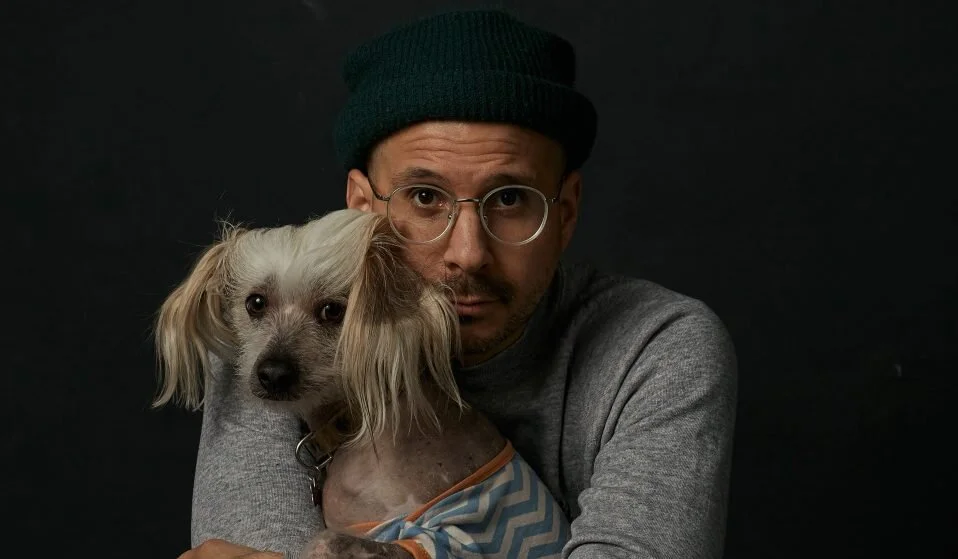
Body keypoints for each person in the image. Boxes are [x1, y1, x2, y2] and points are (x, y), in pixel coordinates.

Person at [178, 8, 737, 559]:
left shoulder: (655, 349)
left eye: (511, 199)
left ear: (565, 213)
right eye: (425, 197)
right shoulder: (266, 348)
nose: (468, 253)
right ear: (361, 208)